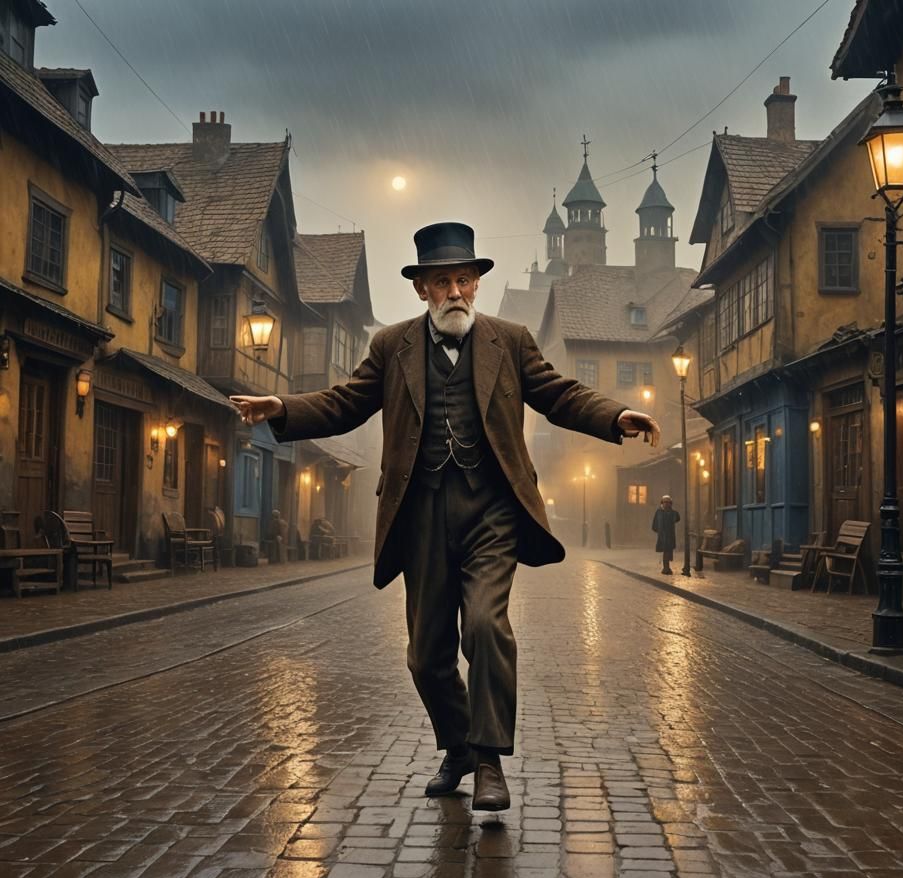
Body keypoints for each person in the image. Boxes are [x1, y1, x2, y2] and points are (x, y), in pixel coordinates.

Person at [229, 222, 660, 812]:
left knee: (485, 625)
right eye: (441, 282)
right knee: (426, 656)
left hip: (492, 509)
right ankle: (456, 746)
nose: (454, 292)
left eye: (464, 280)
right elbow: (344, 402)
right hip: (421, 511)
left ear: (476, 285)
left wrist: (615, 416)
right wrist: (283, 407)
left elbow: (559, 394)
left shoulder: (509, 341)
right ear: (422, 290)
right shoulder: (391, 346)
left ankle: (486, 761)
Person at [652, 495, 680, 575]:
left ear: (671, 503)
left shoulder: (673, 512)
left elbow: (678, 518)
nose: (667, 504)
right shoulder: (659, 512)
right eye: (665, 502)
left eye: (668, 502)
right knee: (666, 551)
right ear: (662, 503)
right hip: (663, 535)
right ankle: (666, 568)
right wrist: (660, 532)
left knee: (668, 551)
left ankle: (667, 568)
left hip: (670, 535)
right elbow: (654, 525)